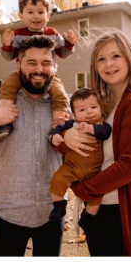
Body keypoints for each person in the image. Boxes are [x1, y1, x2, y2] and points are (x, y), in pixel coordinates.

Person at [61, 29, 131, 256]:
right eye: (101, 59)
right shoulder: (101, 105)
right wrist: (66, 136)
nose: (109, 64)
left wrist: (82, 189)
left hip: (121, 213)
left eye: (116, 56)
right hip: (99, 210)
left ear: (129, 59)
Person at [0, 35, 64, 257]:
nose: (39, 69)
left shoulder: (63, 107)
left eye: (46, 63)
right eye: (32, 63)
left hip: (52, 213)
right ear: (18, 64)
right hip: (9, 215)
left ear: (54, 67)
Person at [0, 0, 77, 144]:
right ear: (21, 16)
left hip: (49, 76)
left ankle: (58, 125)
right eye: (30, 12)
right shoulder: (18, 35)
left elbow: (62, 53)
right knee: (7, 86)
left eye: (40, 12)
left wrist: (69, 44)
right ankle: (4, 123)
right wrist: (7, 44)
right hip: (22, 74)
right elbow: (9, 56)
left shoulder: (52, 33)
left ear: (48, 15)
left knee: (59, 94)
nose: (36, 16)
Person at [47, 88, 112, 221]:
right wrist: (56, 136)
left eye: (93, 107)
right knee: (57, 181)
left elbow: (106, 132)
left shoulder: (101, 124)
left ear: (100, 108)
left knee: (96, 197)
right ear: (75, 115)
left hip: (94, 171)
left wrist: (91, 128)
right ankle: (59, 205)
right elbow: (59, 127)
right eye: (82, 110)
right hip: (71, 167)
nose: (89, 112)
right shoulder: (73, 123)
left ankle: (88, 218)